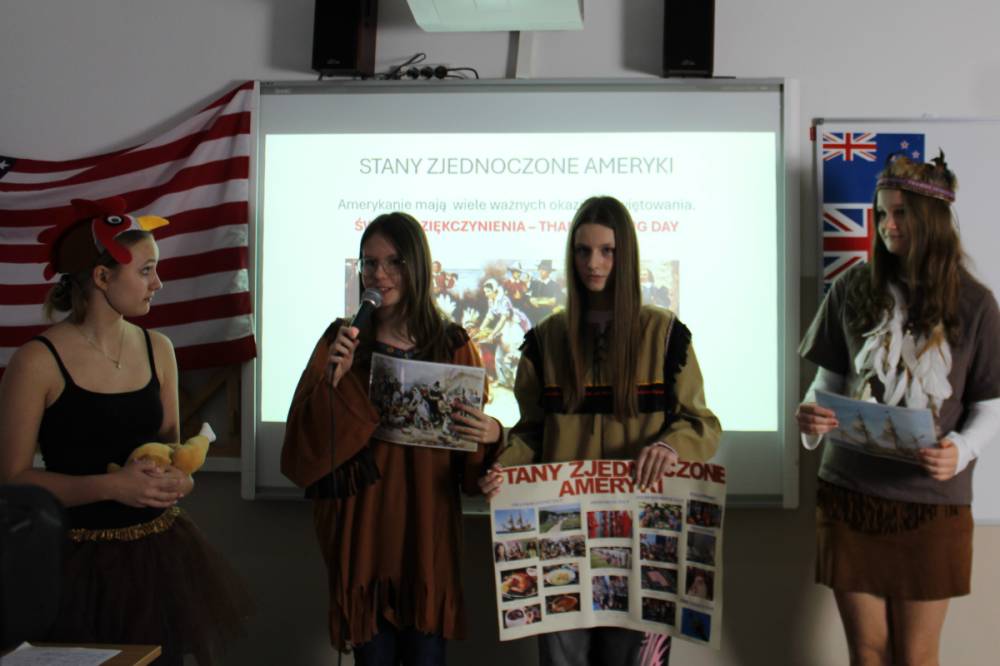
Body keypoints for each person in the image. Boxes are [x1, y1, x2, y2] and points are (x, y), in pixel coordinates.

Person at [0, 197, 249, 665]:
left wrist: (180, 481)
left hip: (157, 560)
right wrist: (112, 486)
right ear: (101, 277)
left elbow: (173, 455)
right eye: (146, 270)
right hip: (72, 566)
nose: (159, 283)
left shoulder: (159, 349)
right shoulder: (36, 362)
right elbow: (12, 481)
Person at [479, 196, 722, 666]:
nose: (594, 263)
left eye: (607, 251)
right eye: (583, 250)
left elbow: (702, 424)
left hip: (639, 542)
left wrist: (670, 446)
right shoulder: (545, 340)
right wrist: (502, 468)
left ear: (624, 255)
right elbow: (531, 433)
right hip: (560, 542)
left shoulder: (665, 336)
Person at [796, 153, 1000, 665]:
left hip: (931, 503)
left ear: (932, 220)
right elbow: (827, 382)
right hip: (849, 496)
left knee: (916, 655)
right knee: (867, 653)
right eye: (882, 213)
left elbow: (990, 403)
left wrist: (962, 449)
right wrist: (811, 417)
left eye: (901, 214)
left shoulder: (976, 303)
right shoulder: (852, 287)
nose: (887, 225)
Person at [280, 212, 502, 665]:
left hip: (426, 526)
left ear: (417, 265)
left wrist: (494, 434)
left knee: (426, 653)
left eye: (394, 262)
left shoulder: (452, 344)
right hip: (365, 526)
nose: (379, 274)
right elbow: (303, 450)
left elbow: (470, 465)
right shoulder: (342, 340)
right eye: (369, 262)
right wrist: (334, 381)